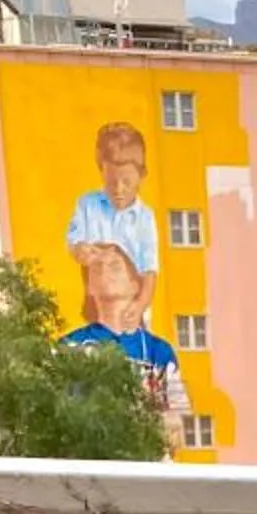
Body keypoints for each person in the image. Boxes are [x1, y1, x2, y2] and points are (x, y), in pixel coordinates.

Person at [62, 241, 190, 445]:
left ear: (135, 284)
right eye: (97, 268)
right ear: (88, 286)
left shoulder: (159, 351)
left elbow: (175, 425)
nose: (105, 272)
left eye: (115, 266)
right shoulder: (70, 346)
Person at [67, 122, 158, 329]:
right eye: (111, 182)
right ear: (102, 172)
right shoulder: (88, 205)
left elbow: (150, 270)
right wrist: (80, 250)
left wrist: (140, 304)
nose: (118, 189)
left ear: (142, 175)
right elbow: (74, 243)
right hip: (97, 306)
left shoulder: (144, 218)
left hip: (133, 311)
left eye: (127, 182)